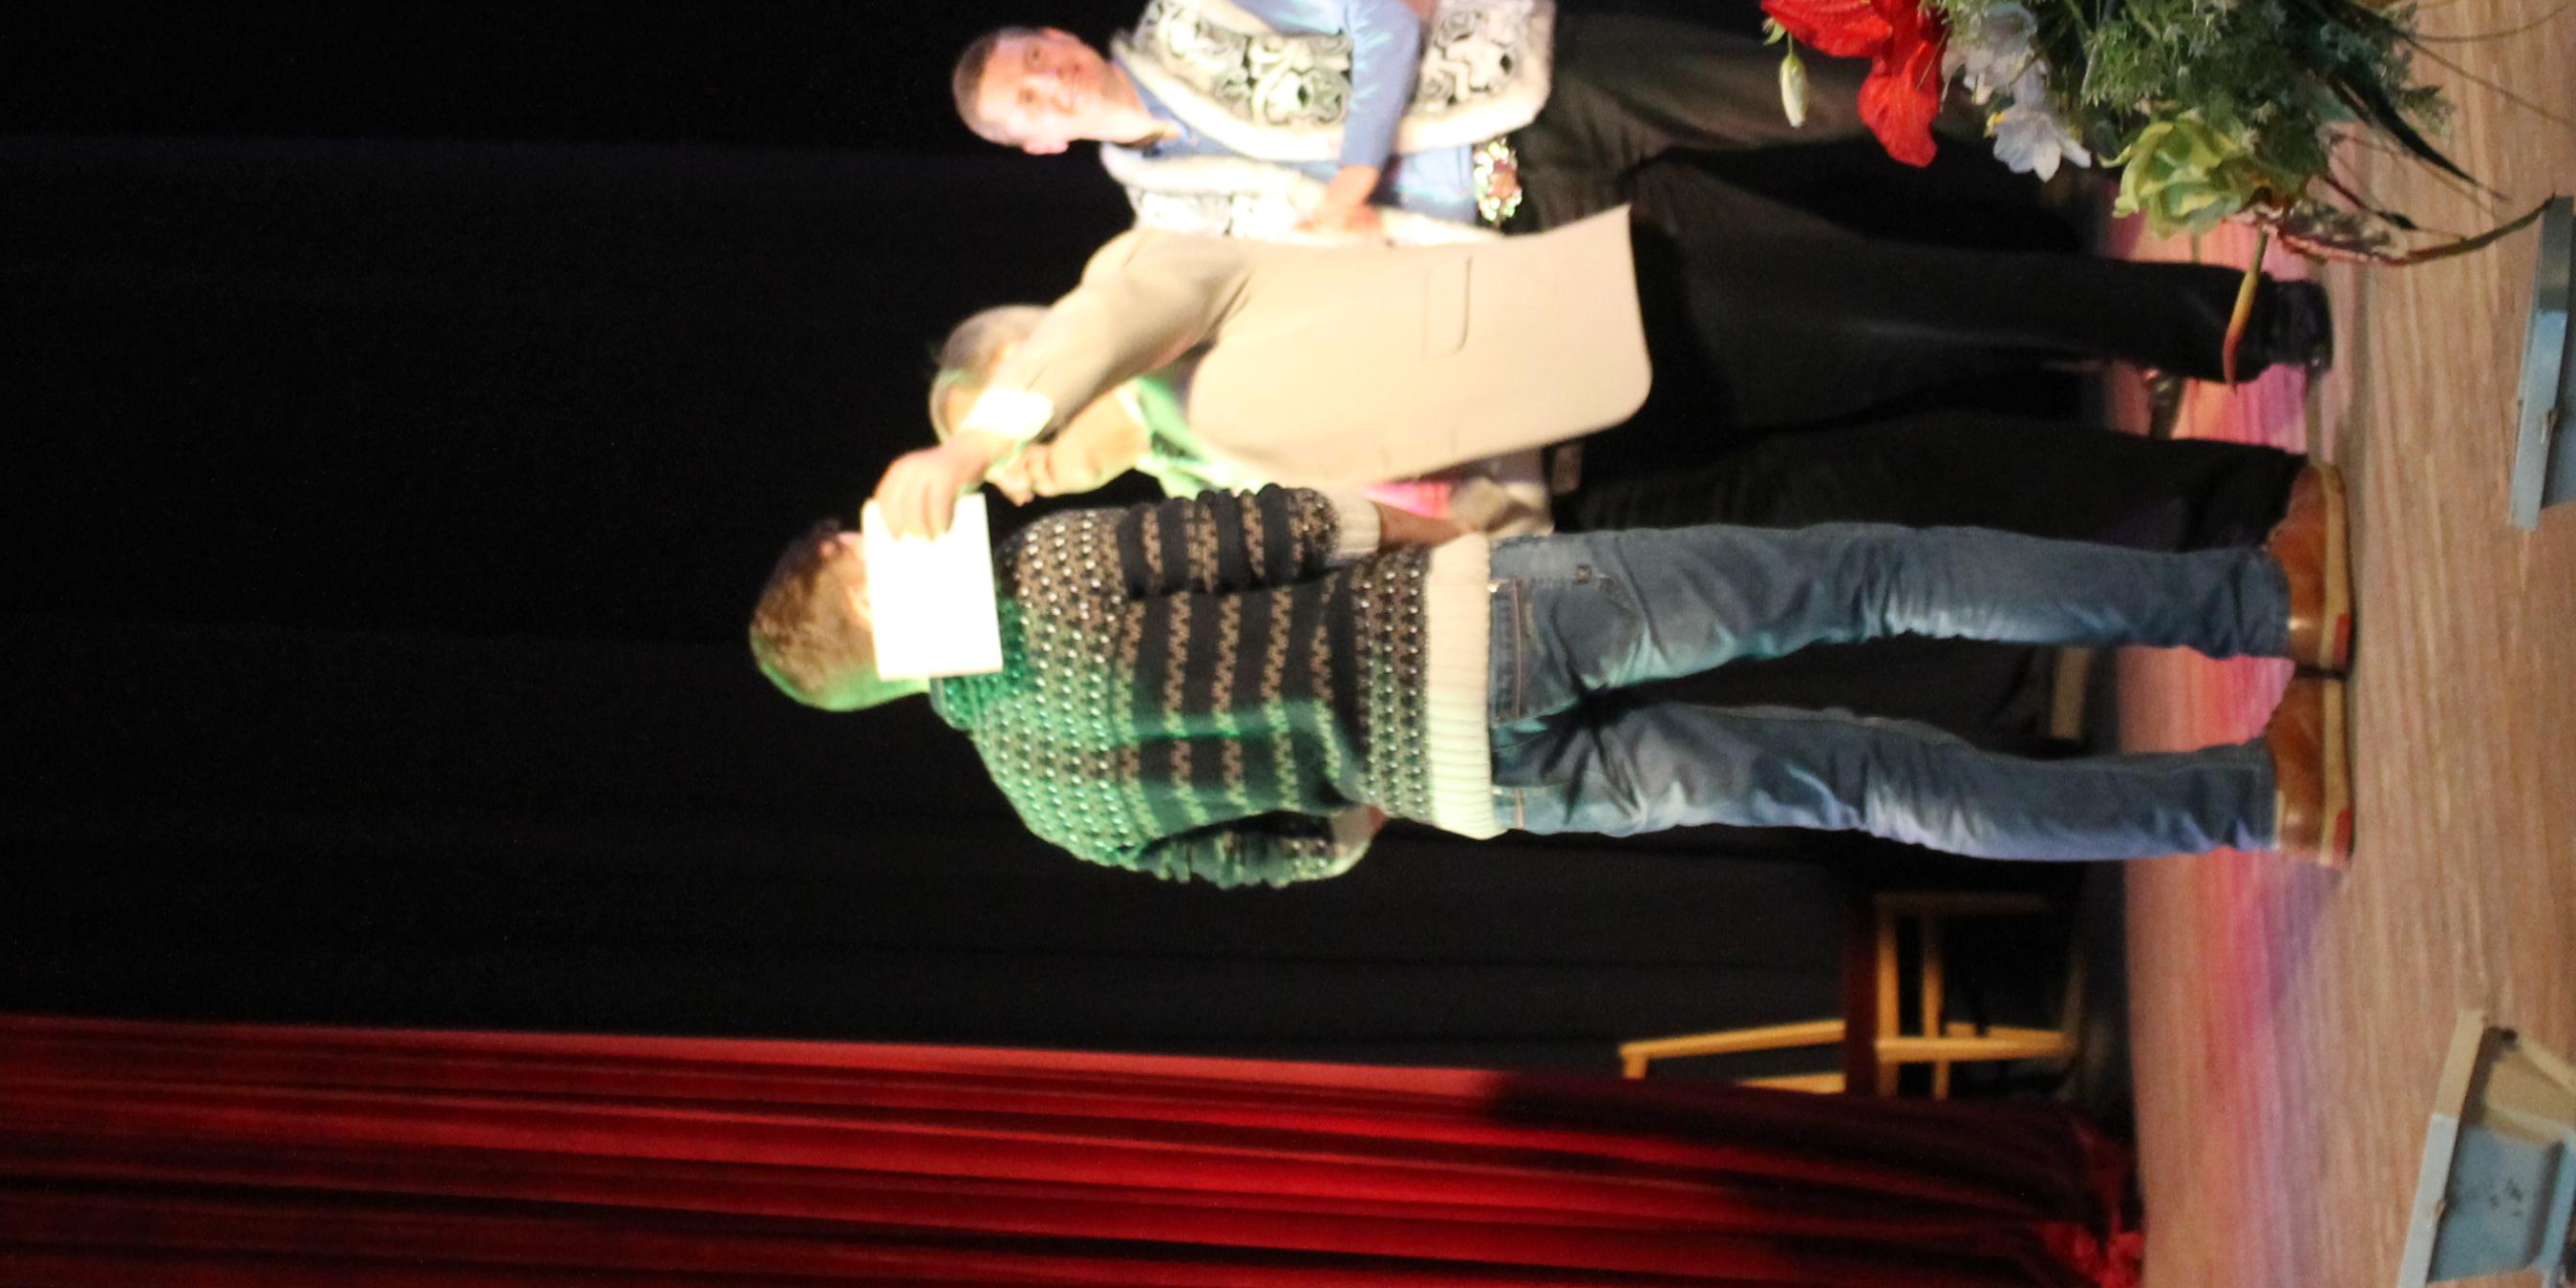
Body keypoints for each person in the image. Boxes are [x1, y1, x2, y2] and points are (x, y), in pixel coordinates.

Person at [746, 476, 2355, 875]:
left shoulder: (1046, 806)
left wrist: (1374, 783)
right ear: (864, 589)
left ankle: (2254, 801)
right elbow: (1294, 524)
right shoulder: (1041, 568)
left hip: (1475, 787)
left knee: (1868, 782)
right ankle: (2257, 597)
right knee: (1871, 574)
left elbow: (1293, 858)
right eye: (853, 548)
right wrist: (1453, 533)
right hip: (1474, 623)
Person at [874, 178, 2335, 530]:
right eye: (1015, 477)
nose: (1028, 470)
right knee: (1926, 487)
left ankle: (2231, 324)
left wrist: (971, 445)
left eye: (1014, 440)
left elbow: (1103, 323)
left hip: (1627, 319)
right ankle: (2242, 507)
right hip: (1594, 494)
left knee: (1933, 309)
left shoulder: (1137, 284)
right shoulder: (1202, 501)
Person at [955, 0, 1963, 239]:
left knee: (1826, 95)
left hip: (1539, 87)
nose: (1050, 86)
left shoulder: (1189, 9)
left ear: (1056, 36)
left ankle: (2025, 97)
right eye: (1027, 107)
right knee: (1819, 263)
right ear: (1038, 147)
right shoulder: (1165, 216)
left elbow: (1382, 1)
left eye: (1034, 61)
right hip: (1520, 222)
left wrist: (1357, 166)